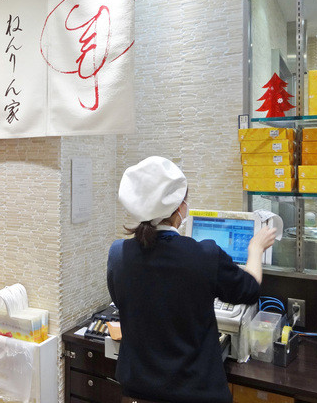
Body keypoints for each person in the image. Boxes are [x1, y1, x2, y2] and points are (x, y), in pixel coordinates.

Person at [107, 156, 276, 403]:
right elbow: (249, 290)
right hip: (195, 392)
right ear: (179, 207)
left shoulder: (118, 254)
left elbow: (125, 303)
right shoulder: (205, 255)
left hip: (137, 392)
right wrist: (256, 249)